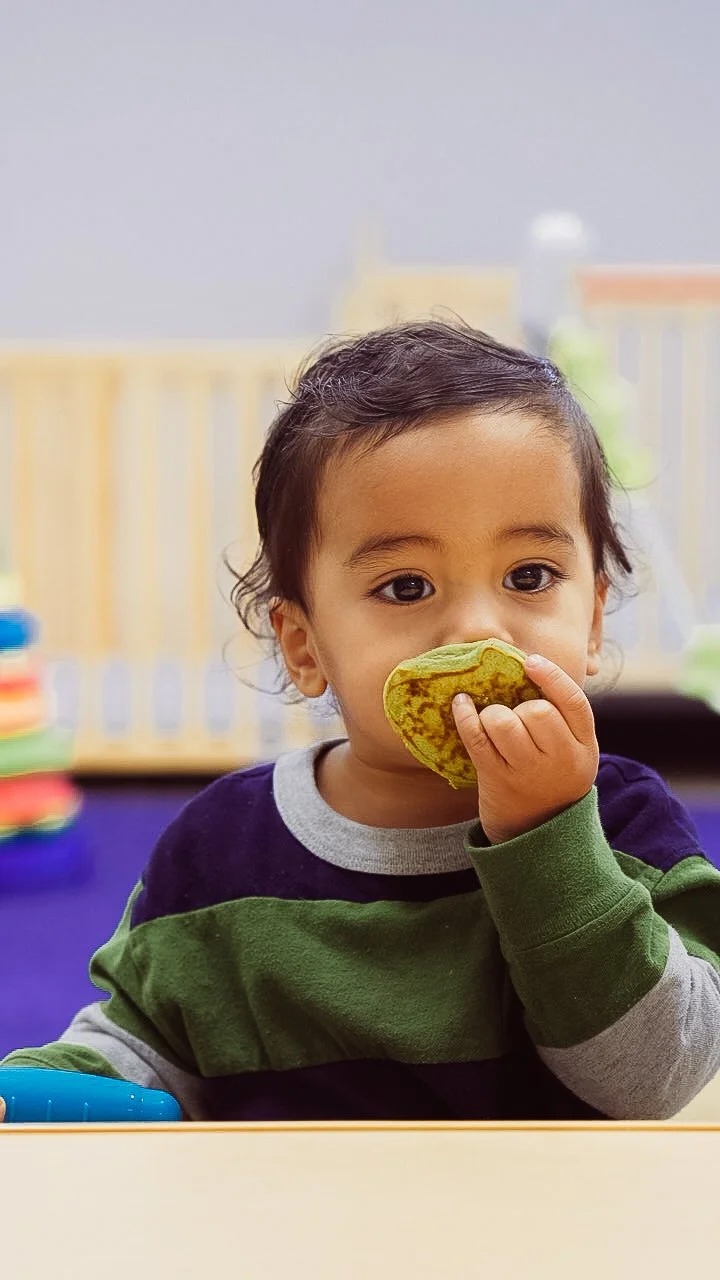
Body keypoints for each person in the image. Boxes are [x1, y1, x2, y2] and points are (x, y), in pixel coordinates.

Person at [3, 320, 720, 1122]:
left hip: (543, 1236)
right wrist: (46, 1089)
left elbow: (657, 1078)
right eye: (407, 587)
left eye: (529, 574)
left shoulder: (627, 826)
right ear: (306, 647)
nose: (480, 631)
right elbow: (141, 1046)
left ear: (591, 620)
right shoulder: (221, 850)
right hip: (292, 1237)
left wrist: (549, 838)